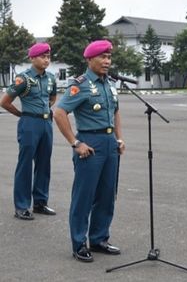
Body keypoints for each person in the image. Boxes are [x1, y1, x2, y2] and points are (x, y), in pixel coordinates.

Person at [54, 40, 125, 262]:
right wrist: (75, 143)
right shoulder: (80, 84)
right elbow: (59, 112)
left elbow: (116, 112)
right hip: (90, 144)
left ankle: (99, 238)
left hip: (109, 143)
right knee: (84, 196)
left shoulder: (110, 84)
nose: (107, 61)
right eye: (102, 57)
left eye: (109, 57)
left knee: (107, 195)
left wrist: (119, 138)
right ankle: (78, 243)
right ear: (89, 59)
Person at [0, 43, 57, 220]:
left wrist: (45, 109)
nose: (46, 60)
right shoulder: (23, 79)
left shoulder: (51, 78)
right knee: (25, 164)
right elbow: (5, 101)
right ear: (32, 58)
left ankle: (40, 202)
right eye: (42, 56)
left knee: (44, 163)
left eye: (48, 57)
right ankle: (22, 206)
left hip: (46, 123)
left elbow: (53, 96)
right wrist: (22, 114)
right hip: (29, 123)